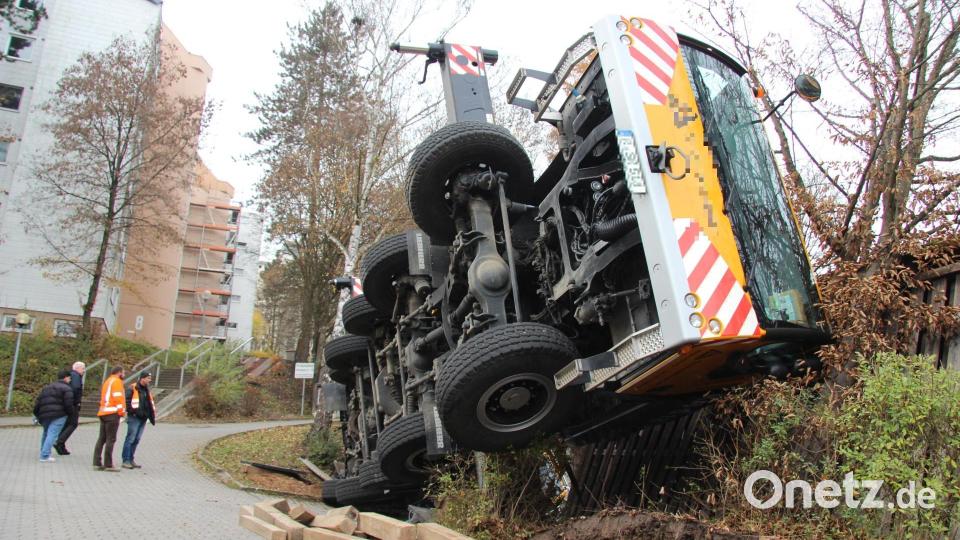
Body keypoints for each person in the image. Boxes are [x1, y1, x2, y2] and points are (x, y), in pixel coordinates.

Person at [33, 370, 75, 463]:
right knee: (52, 434)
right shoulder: (67, 388)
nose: (70, 380)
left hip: (44, 414)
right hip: (59, 414)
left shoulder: (47, 387)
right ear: (66, 378)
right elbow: (68, 404)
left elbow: (38, 402)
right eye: (69, 378)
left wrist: (36, 414)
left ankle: (44, 452)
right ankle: (44, 455)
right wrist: (71, 413)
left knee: (46, 433)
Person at [93, 365, 125, 471]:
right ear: (119, 372)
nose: (124, 375)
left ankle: (96, 462)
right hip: (112, 413)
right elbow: (118, 398)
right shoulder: (117, 382)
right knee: (111, 439)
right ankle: (108, 464)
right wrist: (121, 412)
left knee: (101, 438)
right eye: (123, 373)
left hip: (103, 412)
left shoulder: (108, 381)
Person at [121, 371, 155, 469]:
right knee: (130, 438)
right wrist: (133, 412)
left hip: (143, 418)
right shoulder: (133, 388)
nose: (150, 380)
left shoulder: (146, 389)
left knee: (136, 439)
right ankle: (126, 460)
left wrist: (149, 415)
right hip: (134, 417)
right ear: (142, 378)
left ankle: (131, 459)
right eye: (148, 378)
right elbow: (127, 401)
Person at [54, 361, 85, 455]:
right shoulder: (76, 376)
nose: (84, 371)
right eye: (83, 368)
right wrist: (76, 402)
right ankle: (59, 441)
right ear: (77, 368)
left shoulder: (72, 376)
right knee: (73, 423)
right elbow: (75, 389)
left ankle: (61, 446)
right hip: (72, 404)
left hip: (67, 403)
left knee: (67, 424)